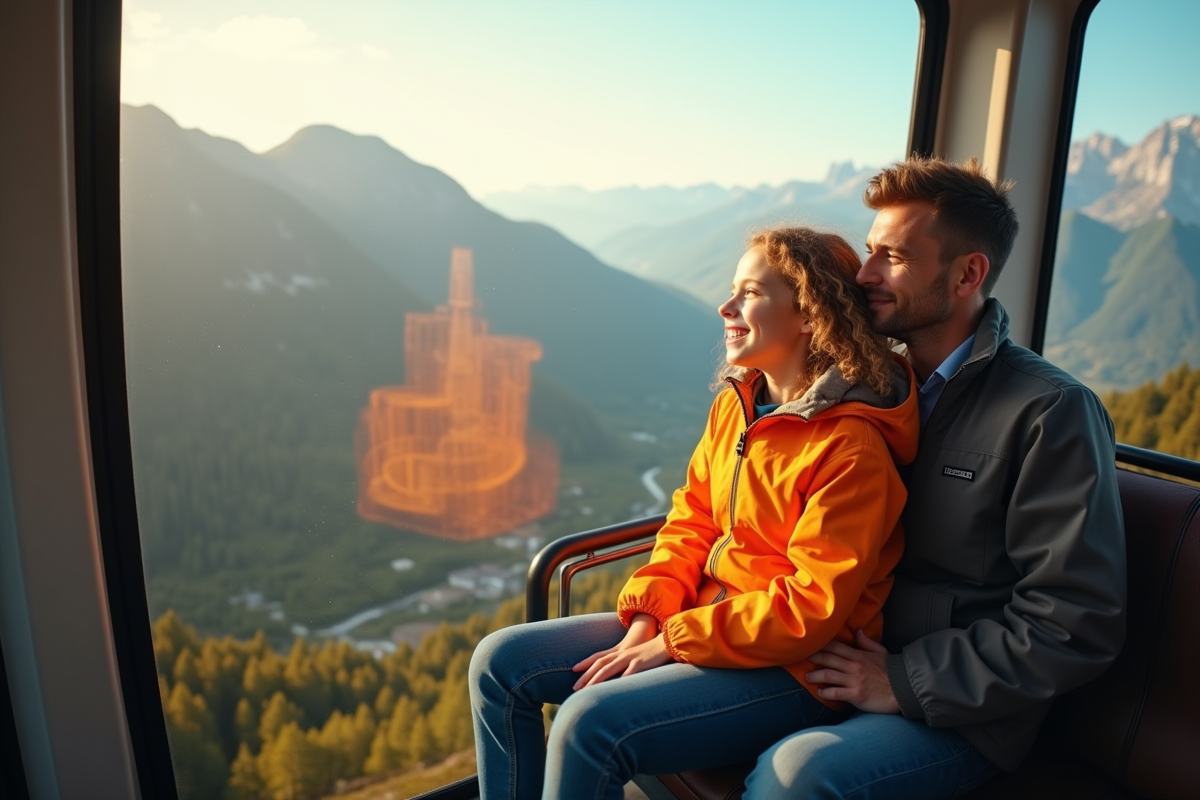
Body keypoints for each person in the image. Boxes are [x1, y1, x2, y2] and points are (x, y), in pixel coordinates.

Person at [469, 228, 920, 800]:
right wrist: (646, 620)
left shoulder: (852, 449)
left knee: (590, 724)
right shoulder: (738, 407)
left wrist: (670, 643)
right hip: (706, 626)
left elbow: (809, 608)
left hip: (796, 670)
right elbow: (689, 523)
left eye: (750, 293)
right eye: (732, 290)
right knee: (501, 663)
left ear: (809, 314)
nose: (725, 307)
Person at [743, 158, 1127, 800]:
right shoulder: (864, 389)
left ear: (967, 274)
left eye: (892, 257)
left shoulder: (1047, 412)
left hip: (961, 710)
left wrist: (904, 679)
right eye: (869, 252)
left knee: (796, 779)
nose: (863, 275)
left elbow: (1074, 620)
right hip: (837, 657)